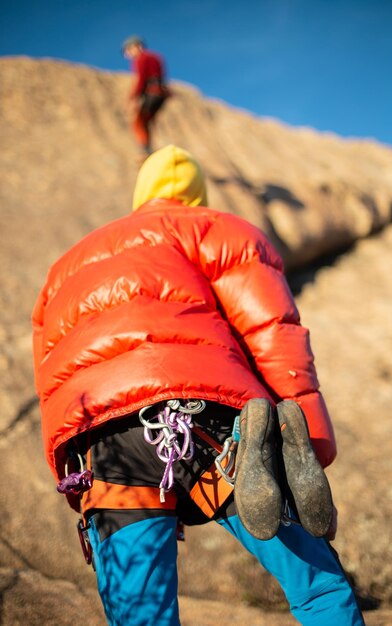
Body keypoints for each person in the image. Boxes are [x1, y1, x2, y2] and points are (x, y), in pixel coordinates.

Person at [32, 145, 364, 626]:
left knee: (142, 616)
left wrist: (70, 472)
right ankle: (247, 467)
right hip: (211, 425)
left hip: (109, 446)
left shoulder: (64, 270)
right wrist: (309, 449)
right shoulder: (220, 230)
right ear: (198, 197)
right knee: (319, 590)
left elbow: (52, 378)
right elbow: (272, 333)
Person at [122, 35, 169, 154]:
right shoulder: (155, 57)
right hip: (160, 93)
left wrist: (132, 97)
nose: (127, 55)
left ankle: (146, 151)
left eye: (128, 50)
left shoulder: (141, 58)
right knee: (147, 120)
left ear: (138, 46)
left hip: (152, 93)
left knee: (139, 122)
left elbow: (141, 79)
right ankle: (150, 149)